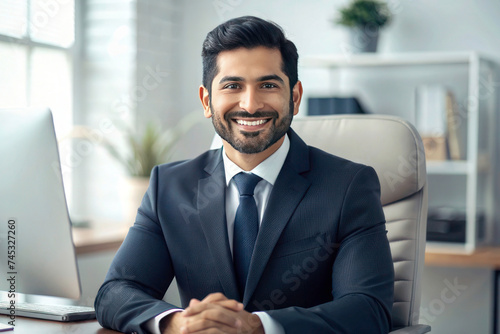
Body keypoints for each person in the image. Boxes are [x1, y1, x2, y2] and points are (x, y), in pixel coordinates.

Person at [95, 15, 394, 334]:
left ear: (294, 96)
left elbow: (368, 309)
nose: (250, 105)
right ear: (207, 101)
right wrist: (176, 322)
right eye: (232, 86)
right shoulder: (169, 186)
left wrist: (258, 326)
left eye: (268, 85)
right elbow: (115, 293)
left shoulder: (348, 186)